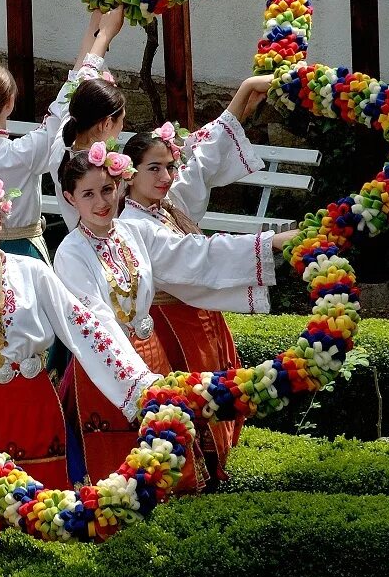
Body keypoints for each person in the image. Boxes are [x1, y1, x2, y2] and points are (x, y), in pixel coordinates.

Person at [54, 146, 293, 490]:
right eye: (87, 194)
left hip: (152, 352)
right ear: (69, 198)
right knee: (124, 466)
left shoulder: (133, 232)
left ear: (119, 186)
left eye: (107, 190)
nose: (100, 202)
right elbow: (96, 322)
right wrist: (137, 382)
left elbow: (195, 253)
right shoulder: (71, 252)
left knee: (171, 448)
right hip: (106, 365)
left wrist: (267, 243)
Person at [0, 176, 154, 489]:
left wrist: (137, 381)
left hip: (38, 402)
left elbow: (82, 325)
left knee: (54, 501)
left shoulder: (32, 272)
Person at [120, 125, 266, 481]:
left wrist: (242, 99)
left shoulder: (165, 208)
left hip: (198, 317)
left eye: (169, 167)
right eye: (153, 168)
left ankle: (217, 465)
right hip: (173, 325)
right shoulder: (132, 223)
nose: (166, 176)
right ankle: (198, 475)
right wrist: (268, 245)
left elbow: (200, 168)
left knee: (218, 386)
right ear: (129, 172)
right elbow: (192, 255)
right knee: (197, 393)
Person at [0, 9, 125, 261]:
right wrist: (100, 33)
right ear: (10, 103)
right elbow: (71, 95)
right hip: (25, 254)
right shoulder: (24, 153)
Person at [49, 70, 273, 231]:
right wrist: (245, 91)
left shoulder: (62, 146)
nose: (165, 177)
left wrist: (239, 110)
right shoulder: (110, 178)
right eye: (121, 122)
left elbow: (192, 153)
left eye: (169, 167)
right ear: (107, 124)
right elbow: (198, 164)